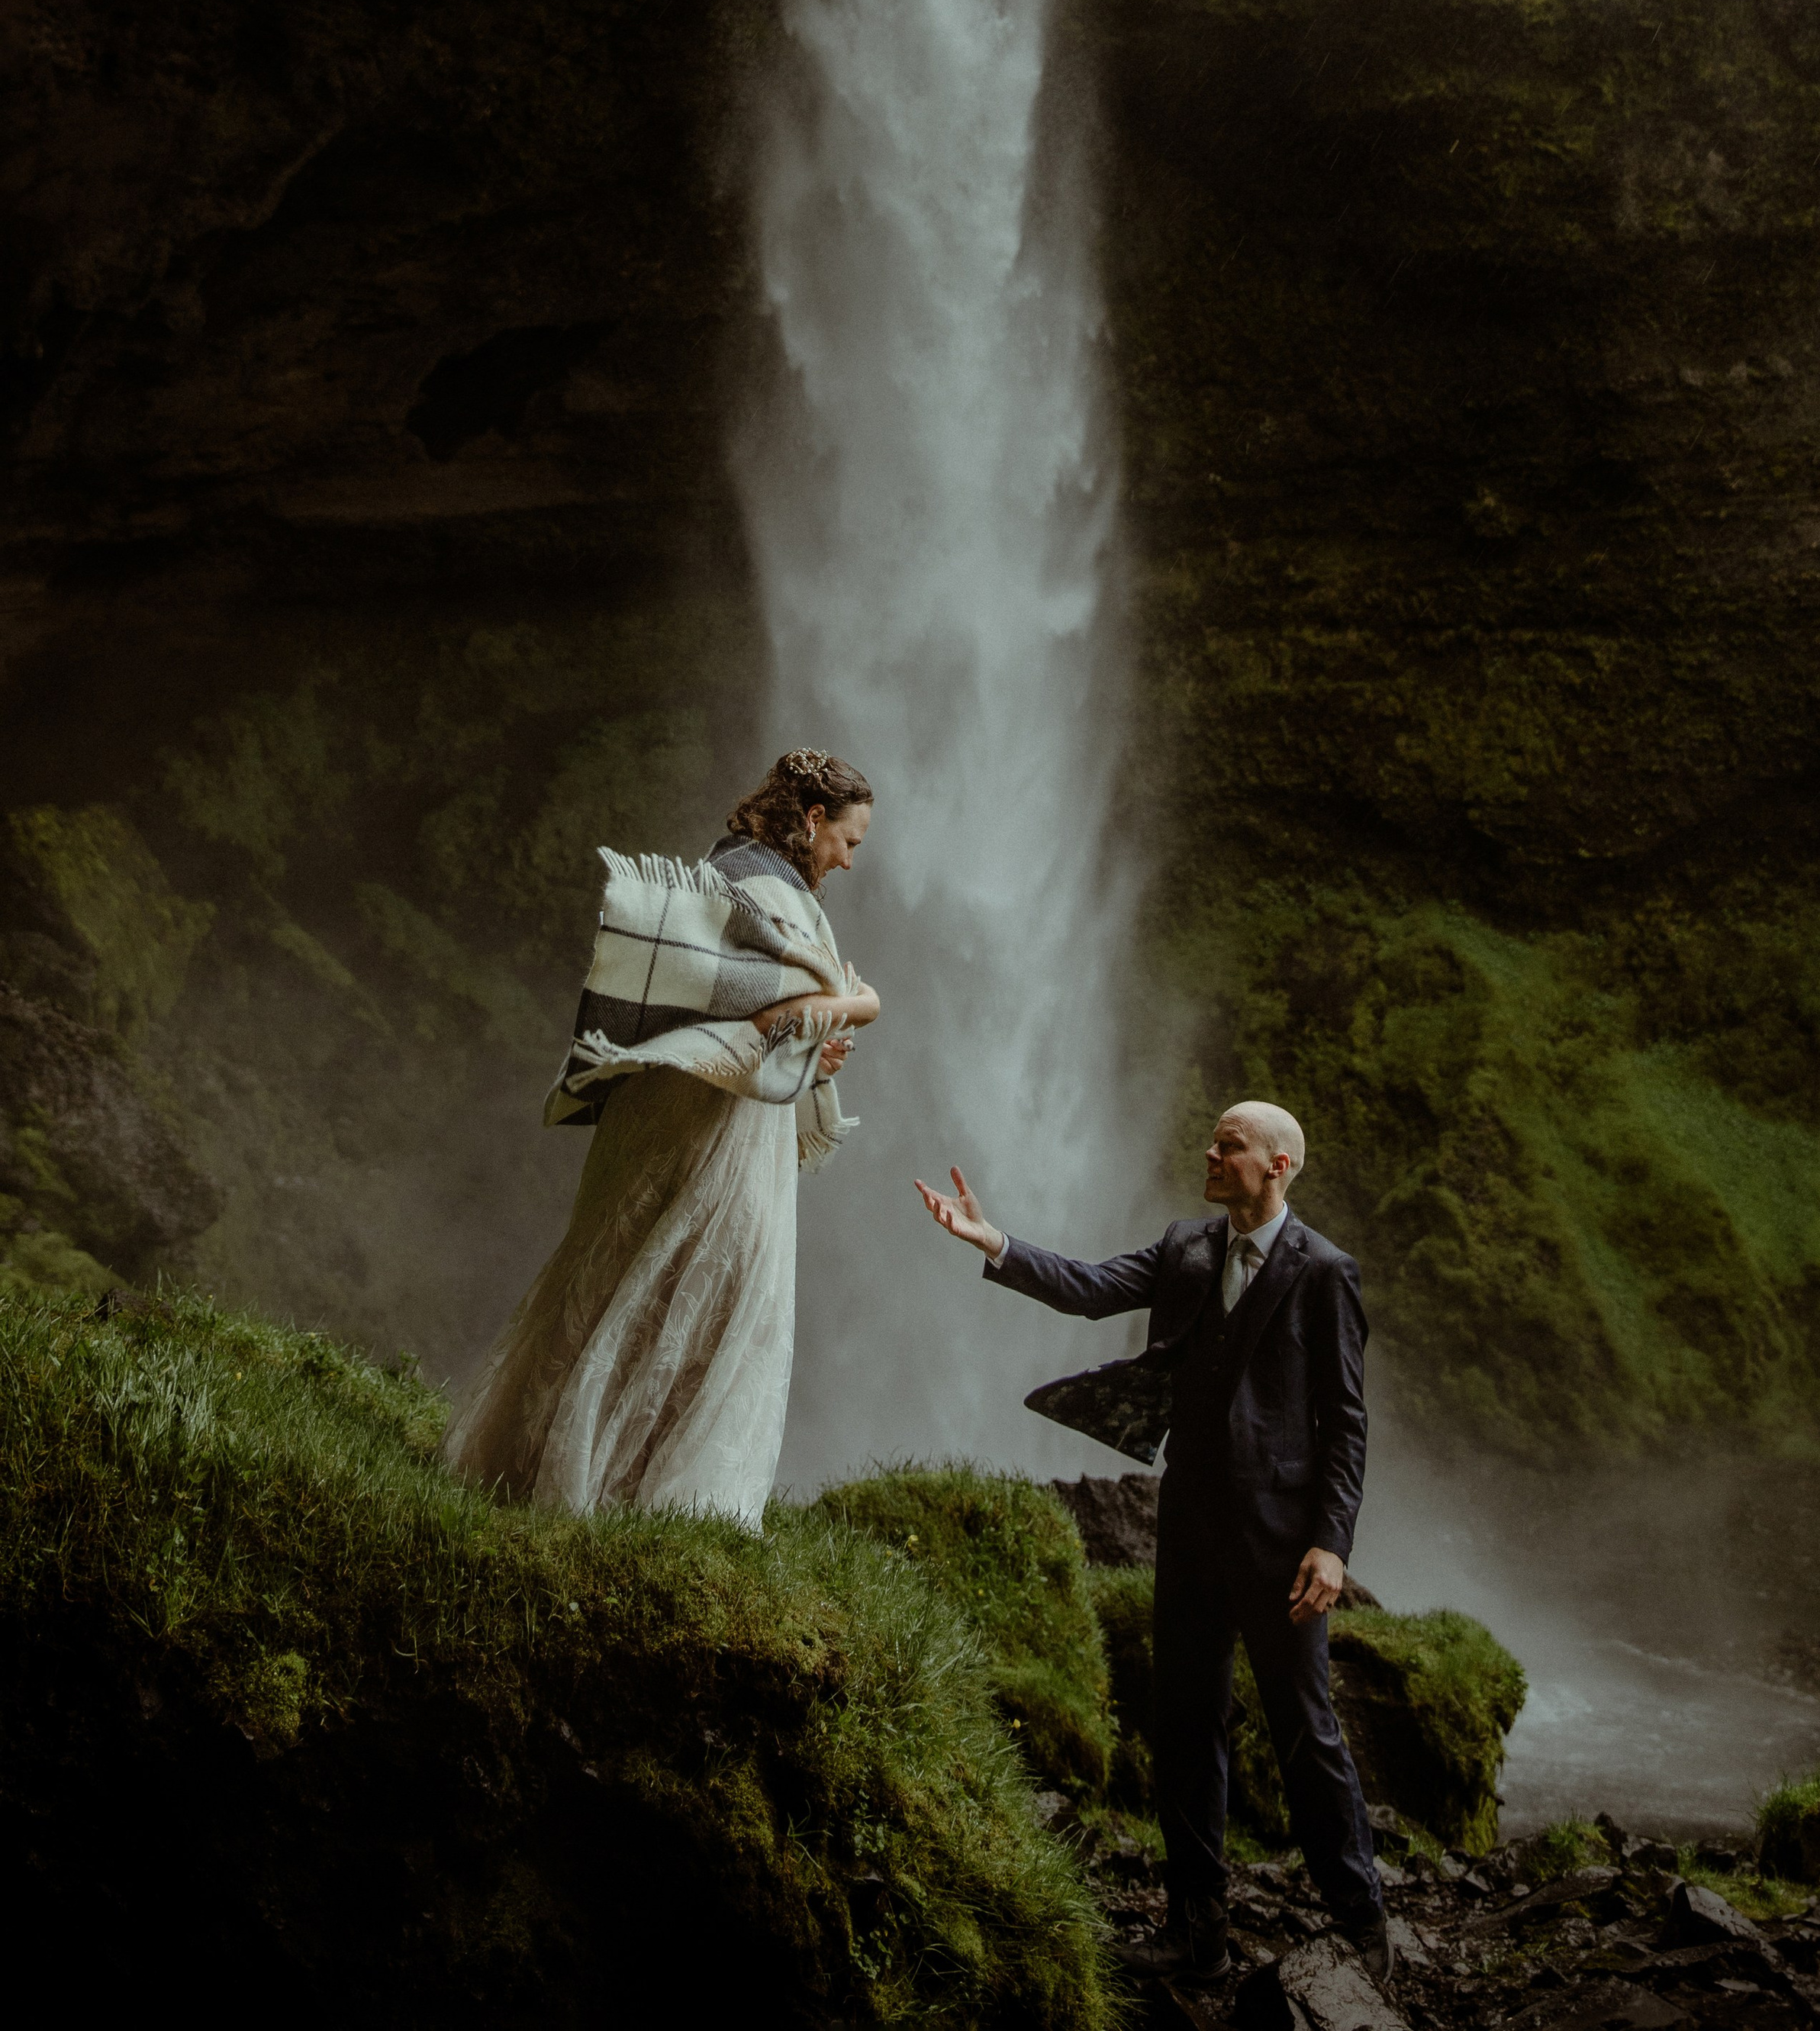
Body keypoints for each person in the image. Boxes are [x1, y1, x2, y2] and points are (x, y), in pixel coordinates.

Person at [916, 1102, 1389, 1993]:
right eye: (1212, 1141)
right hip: (1190, 1523)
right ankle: (1196, 1930)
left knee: (1305, 1729)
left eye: (1230, 1145)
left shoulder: (1325, 1272)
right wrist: (994, 1242)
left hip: (1283, 1542)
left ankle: (1364, 1928)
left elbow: (1346, 1422)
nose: (1210, 1153)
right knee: (1184, 1724)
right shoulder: (1185, 1249)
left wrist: (1331, 1543)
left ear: (1278, 1164)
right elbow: (1092, 1287)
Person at [442, 749, 880, 1530]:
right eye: (849, 840)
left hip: (691, 1108)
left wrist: (821, 1040)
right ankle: (630, 1494)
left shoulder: (740, 874)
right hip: (704, 1122)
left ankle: (590, 1478)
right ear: (813, 819)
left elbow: (770, 1020)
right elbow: (763, 1016)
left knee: (641, 1269)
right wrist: (856, 1006)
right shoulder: (759, 887)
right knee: (701, 1284)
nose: (849, 860)